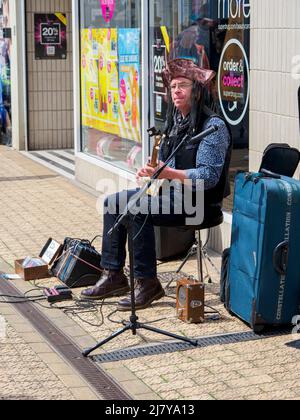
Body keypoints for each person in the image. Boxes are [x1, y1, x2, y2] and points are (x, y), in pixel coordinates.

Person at [81, 58, 232, 311]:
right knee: (111, 203)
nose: (176, 91)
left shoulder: (213, 127)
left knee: (136, 209)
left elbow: (208, 177)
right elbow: (165, 164)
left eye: (182, 85)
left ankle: (147, 283)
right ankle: (114, 275)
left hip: (200, 205)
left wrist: (170, 172)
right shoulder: (177, 122)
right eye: (172, 87)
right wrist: (153, 170)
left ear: (197, 91)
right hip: (173, 197)